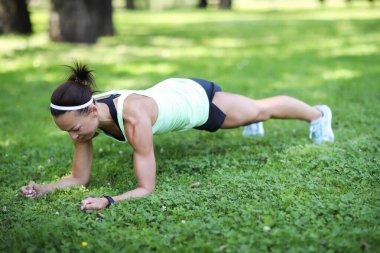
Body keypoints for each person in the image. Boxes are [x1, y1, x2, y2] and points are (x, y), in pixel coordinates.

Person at [19, 63, 334, 211]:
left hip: (194, 101)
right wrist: (43, 188)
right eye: (67, 132)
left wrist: (110, 200)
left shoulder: (134, 116)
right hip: (169, 91)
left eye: (75, 129)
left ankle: (318, 115)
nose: (74, 137)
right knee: (249, 111)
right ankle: (247, 120)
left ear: (91, 110)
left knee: (260, 110)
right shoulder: (86, 121)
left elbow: (146, 188)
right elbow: (78, 178)